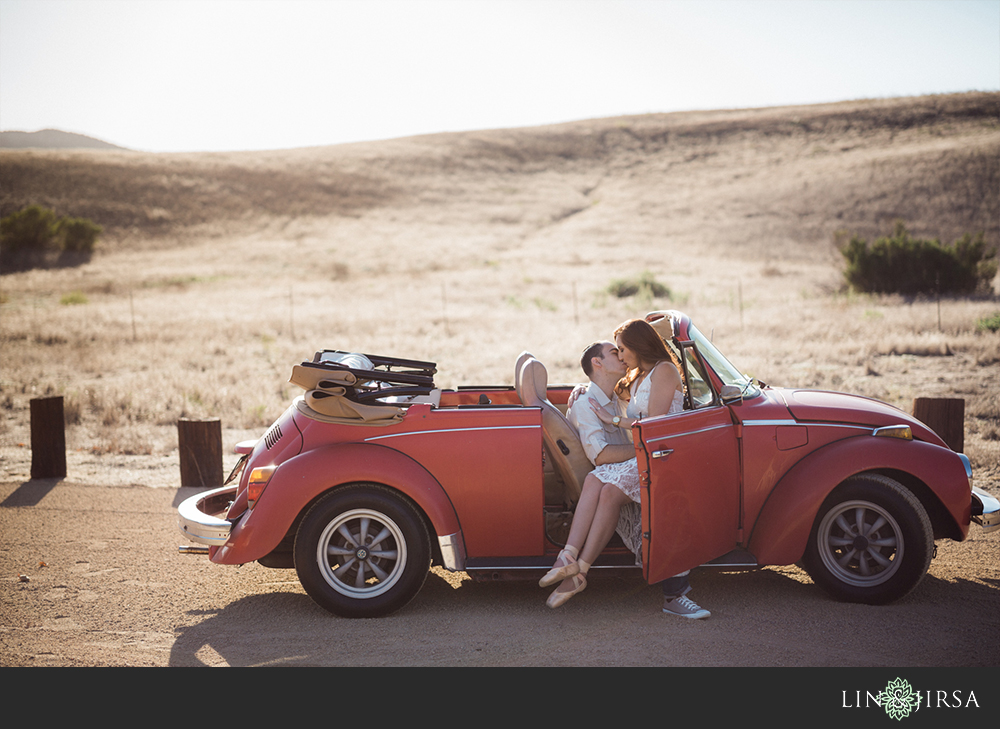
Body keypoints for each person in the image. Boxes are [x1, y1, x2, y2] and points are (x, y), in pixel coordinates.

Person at [539, 318, 710, 619]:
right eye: (616, 351)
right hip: (646, 452)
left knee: (610, 492)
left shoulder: (665, 371)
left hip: (664, 453)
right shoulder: (638, 376)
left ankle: (580, 571)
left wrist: (613, 421)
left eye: (622, 349)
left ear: (637, 346)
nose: (620, 355)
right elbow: (609, 389)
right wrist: (584, 387)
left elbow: (654, 425)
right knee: (595, 482)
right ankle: (570, 560)